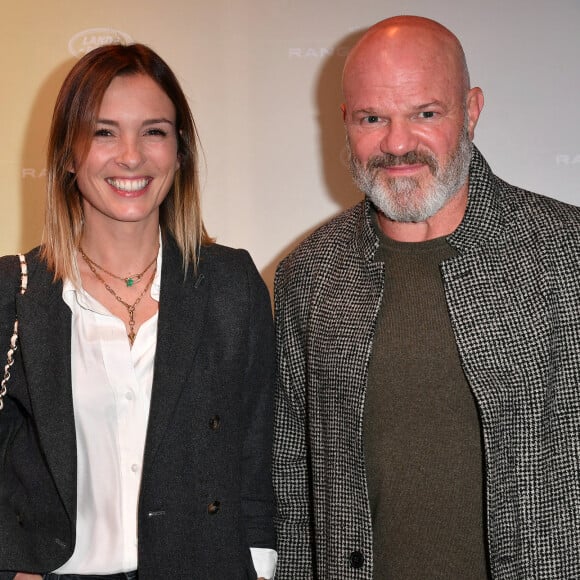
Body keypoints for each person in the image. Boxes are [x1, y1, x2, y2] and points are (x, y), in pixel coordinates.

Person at [273, 15, 580, 580]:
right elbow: (291, 491)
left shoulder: (567, 256)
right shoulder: (309, 276)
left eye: (425, 114)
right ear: (345, 122)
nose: (396, 143)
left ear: (472, 111)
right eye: (372, 118)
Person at [0, 43, 276, 580]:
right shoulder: (13, 291)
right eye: (104, 132)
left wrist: (257, 571)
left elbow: (254, 458)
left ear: (180, 152)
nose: (131, 156)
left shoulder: (230, 283)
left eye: (154, 131)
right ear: (67, 154)